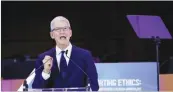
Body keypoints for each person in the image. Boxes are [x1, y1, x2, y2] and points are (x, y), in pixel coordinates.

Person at [32, 16, 99, 91]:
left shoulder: (85, 56)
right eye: (57, 29)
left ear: (70, 33)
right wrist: (46, 71)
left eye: (65, 28)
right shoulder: (43, 58)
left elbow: (94, 85)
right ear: (52, 35)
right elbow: (36, 88)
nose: (62, 32)